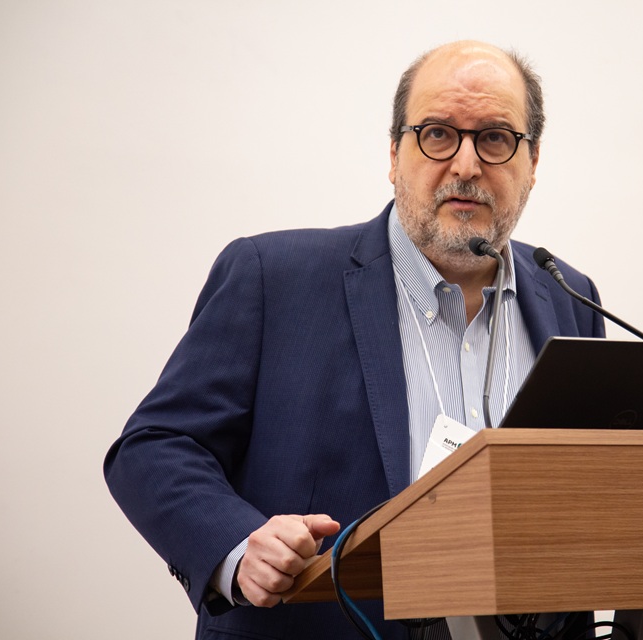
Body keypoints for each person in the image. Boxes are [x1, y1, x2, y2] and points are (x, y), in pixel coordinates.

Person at [105, 40, 605, 639]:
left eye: (496, 138)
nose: (466, 165)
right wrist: (239, 544)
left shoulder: (570, 297)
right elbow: (154, 446)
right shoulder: (272, 277)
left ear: (533, 161)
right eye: (437, 134)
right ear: (394, 154)